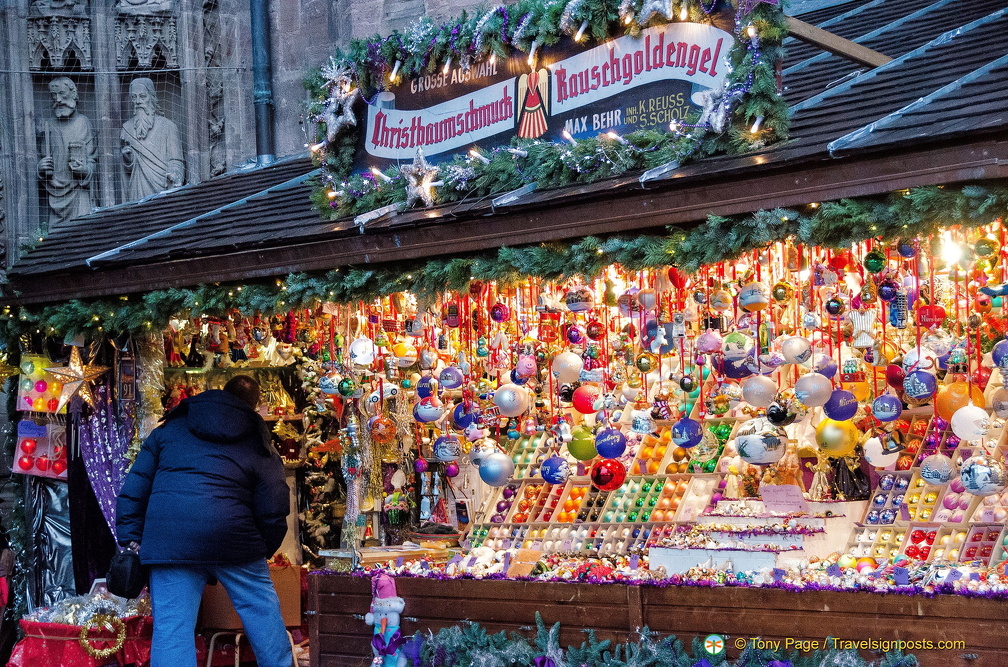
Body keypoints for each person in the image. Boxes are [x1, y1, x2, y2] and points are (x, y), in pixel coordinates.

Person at [116, 375, 293, 667]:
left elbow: (135, 486)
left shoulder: (169, 429)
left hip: (171, 541)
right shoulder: (257, 440)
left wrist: (131, 536)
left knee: (172, 628)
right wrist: (263, 548)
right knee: (262, 613)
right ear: (254, 405)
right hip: (234, 538)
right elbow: (274, 502)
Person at [37, 76, 96, 225]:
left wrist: (84, 170)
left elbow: (93, 161)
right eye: (53, 95)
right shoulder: (48, 125)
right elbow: (44, 158)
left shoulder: (83, 123)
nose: (58, 99)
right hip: (56, 195)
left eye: (62, 94)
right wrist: (41, 168)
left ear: (73, 93)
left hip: (79, 192)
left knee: (83, 234)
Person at [120, 77, 184, 200]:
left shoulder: (168, 126)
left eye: (142, 96)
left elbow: (176, 160)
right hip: (136, 190)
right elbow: (125, 171)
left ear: (152, 97)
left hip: (163, 189)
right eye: (134, 97)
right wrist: (128, 159)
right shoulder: (126, 129)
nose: (138, 101)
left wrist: (174, 173)